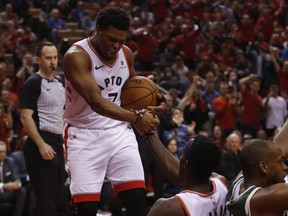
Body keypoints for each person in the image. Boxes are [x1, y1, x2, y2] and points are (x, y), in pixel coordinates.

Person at [62, 7, 163, 216]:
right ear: (97, 29)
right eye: (111, 39)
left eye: (121, 40)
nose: (116, 46)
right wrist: (137, 118)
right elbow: (96, 102)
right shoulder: (76, 56)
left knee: (136, 197)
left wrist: (156, 101)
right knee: (88, 208)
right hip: (84, 133)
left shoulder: (125, 54)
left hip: (119, 131)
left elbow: (133, 90)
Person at [19, 41, 68, 216]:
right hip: (40, 143)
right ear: (38, 60)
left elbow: (60, 115)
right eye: (48, 58)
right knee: (46, 200)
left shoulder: (59, 83)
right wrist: (41, 144)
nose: (53, 62)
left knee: (57, 198)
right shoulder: (33, 83)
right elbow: (25, 117)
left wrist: (62, 142)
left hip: (56, 142)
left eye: (55, 57)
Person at [145, 134, 228, 216]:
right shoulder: (222, 183)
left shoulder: (170, 207)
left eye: (182, 154)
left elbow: (178, 175)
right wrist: (150, 136)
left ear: (185, 164)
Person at [226, 117, 288, 215]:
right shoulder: (264, 198)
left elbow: (277, 147)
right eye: (280, 162)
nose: (285, 167)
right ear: (263, 167)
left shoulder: (244, 176)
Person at [0, 141, 26, 216]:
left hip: (5, 193)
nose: (2, 154)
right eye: (0, 152)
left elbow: (16, 178)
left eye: (4, 152)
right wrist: (4, 186)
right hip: (3, 188)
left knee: (21, 191)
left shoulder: (9, 162)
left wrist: (17, 184)